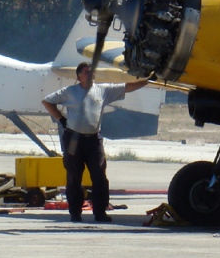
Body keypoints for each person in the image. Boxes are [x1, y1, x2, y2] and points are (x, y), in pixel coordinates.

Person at [42, 63, 150, 223]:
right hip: (73, 139)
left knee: (100, 177)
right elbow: (47, 101)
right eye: (87, 71)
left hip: (94, 140)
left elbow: (127, 87)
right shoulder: (70, 92)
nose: (91, 73)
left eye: (92, 71)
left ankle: (100, 213)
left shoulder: (103, 90)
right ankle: (75, 213)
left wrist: (147, 80)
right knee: (74, 176)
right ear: (79, 76)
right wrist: (61, 119)